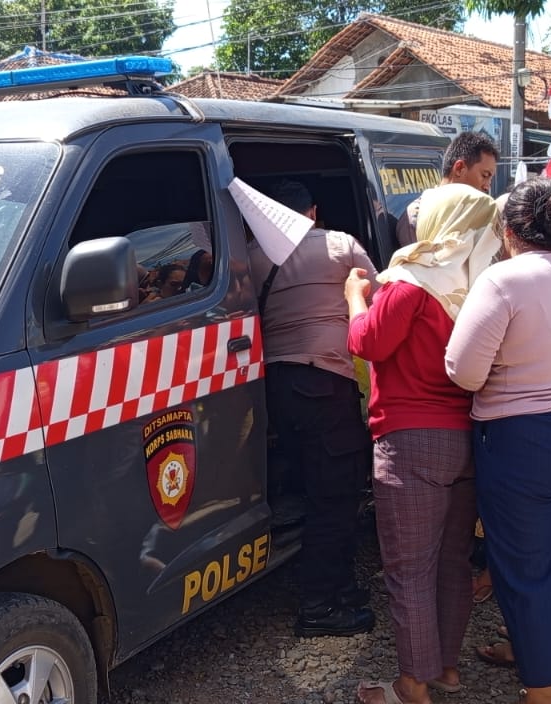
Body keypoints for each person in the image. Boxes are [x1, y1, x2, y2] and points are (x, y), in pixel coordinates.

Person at [446, 179, 551, 704]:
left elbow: (464, 371)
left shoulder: (502, 280)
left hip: (525, 438)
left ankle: (540, 693)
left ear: (508, 231)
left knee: (527, 570)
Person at [348, 183, 500, 704]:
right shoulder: (485, 285)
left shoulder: (411, 280)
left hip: (410, 438)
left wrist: (354, 300)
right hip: (468, 438)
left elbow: (368, 343)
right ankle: (447, 670)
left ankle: (413, 684)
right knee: (453, 560)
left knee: (409, 569)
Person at [248, 180, 379, 637]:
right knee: (336, 498)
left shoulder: (252, 255)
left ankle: (339, 586)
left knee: (312, 486)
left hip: (276, 387)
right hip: (325, 382)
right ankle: (320, 606)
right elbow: (375, 299)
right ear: (312, 211)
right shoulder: (340, 243)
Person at [395, 132, 499, 247]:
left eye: (491, 178)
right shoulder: (415, 217)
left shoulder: (479, 216)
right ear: (459, 168)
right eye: (485, 175)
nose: (487, 186)